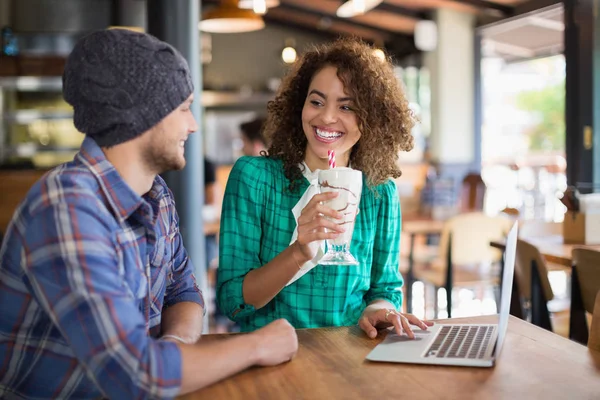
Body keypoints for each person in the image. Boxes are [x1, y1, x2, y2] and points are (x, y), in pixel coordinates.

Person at [0, 29, 297, 400]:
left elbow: (184, 291)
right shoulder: (66, 207)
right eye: (184, 108)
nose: (193, 125)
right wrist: (257, 345)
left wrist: (171, 349)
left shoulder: (156, 195)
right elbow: (135, 377)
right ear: (144, 114)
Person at [217, 38, 433, 339]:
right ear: (299, 106)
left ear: (372, 119)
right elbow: (233, 303)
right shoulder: (254, 178)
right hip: (267, 354)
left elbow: (384, 289)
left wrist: (378, 311)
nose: (327, 117)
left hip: (349, 356)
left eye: (347, 107)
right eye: (316, 102)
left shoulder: (379, 192)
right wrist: (299, 252)